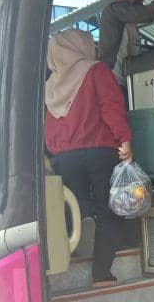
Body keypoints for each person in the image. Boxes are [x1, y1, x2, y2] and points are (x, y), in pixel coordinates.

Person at [45, 29, 134, 287]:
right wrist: (125, 141)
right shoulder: (96, 71)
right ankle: (101, 273)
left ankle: (71, 260)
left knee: (76, 208)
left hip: (64, 158)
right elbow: (111, 107)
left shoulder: (51, 85)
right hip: (100, 152)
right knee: (111, 208)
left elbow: (47, 127)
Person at [98, 0, 154, 82]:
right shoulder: (113, 10)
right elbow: (149, 13)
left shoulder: (124, 17)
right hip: (116, 79)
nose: (141, 3)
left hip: (122, 78)